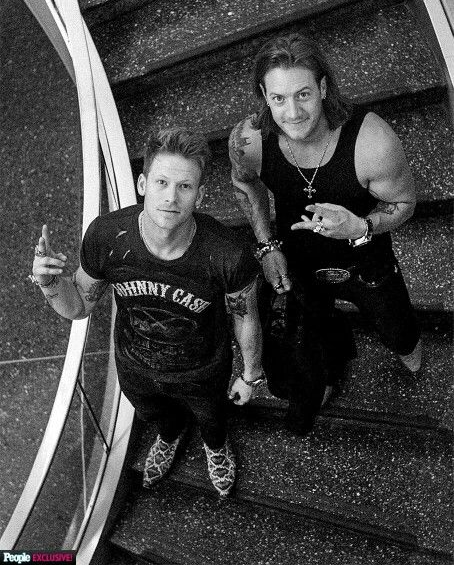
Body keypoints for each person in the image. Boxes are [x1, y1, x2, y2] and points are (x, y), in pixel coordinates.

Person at [31, 127, 264, 497]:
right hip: (135, 364)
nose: (171, 198)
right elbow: (78, 307)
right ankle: (168, 438)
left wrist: (250, 374)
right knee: (158, 418)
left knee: (213, 420)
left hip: (202, 368)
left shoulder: (227, 253)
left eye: (185, 187)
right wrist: (49, 284)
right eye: (161, 182)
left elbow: (245, 316)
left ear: (200, 196)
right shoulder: (107, 237)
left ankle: (216, 449)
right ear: (142, 184)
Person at [229, 33, 421, 435]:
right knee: (313, 331)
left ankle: (407, 352)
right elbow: (245, 184)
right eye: (278, 98)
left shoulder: (372, 142)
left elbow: (404, 205)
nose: (293, 112)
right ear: (263, 95)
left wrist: (362, 226)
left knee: (398, 330)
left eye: (303, 94)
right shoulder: (249, 141)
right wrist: (266, 246)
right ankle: (330, 371)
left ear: (322, 88)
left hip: (365, 256)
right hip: (297, 254)